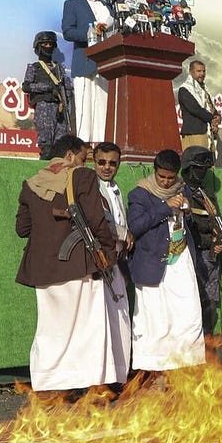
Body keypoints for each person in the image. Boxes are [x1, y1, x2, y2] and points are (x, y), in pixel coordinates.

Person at [15, 134, 122, 399]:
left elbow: (22, 228)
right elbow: (97, 221)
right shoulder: (81, 176)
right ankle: (95, 389)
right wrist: (108, 251)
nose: (84, 164)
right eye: (83, 158)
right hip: (78, 266)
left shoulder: (31, 183)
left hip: (42, 269)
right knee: (89, 329)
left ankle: (50, 390)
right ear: (70, 155)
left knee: (51, 331)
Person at [127, 149, 207, 378]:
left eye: (170, 177)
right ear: (155, 172)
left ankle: (183, 369)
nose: (166, 181)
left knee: (187, 315)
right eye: (161, 177)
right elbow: (136, 226)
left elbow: (186, 221)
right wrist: (165, 207)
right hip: (153, 264)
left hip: (180, 261)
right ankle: (154, 373)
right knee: (155, 320)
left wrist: (187, 210)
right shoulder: (140, 194)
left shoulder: (183, 189)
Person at [61, 0, 115, 143]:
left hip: (105, 64)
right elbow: (68, 32)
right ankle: (84, 146)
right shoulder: (72, 4)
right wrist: (90, 32)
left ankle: (102, 145)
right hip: (85, 62)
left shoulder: (106, 6)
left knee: (103, 107)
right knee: (86, 107)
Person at [92, 142, 132, 374]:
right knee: (102, 319)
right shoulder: (91, 187)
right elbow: (100, 221)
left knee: (120, 317)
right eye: (102, 162)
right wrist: (124, 233)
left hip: (116, 261)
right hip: (100, 262)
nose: (107, 167)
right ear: (94, 162)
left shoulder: (116, 188)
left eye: (112, 163)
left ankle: (119, 374)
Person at [180, 146, 222, 334]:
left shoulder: (206, 195)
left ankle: (208, 343)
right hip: (189, 255)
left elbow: (217, 222)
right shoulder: (180, 192)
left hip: (208, 256)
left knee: (209, 305)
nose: (202, 173)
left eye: (204, 169)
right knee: (190, 303)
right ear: (188, 168)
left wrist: (218, 242)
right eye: (198, 168)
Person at [22, 31, 76, 160]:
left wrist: (65, 100)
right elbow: (26, 86)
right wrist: (47, 88)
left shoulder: (59, 68)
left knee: (60, 144)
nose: (48, 47)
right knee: (46, 144)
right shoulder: (34, 67)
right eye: (45, 44)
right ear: (38, 47)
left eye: (50, 44)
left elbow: (68, 87)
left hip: (60, 108)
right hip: (44, 107)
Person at [177, 60, 220, 153]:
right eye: (199, 71)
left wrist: (217, 117)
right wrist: (212, 118)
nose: (202, 74)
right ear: (191, 72)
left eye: (204, 71)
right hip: (194, 133)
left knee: (207, 160)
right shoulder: (184, 89)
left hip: (206, 133)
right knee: (196, 160)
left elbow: (211, 108)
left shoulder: (203, 90)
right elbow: (195, 109)